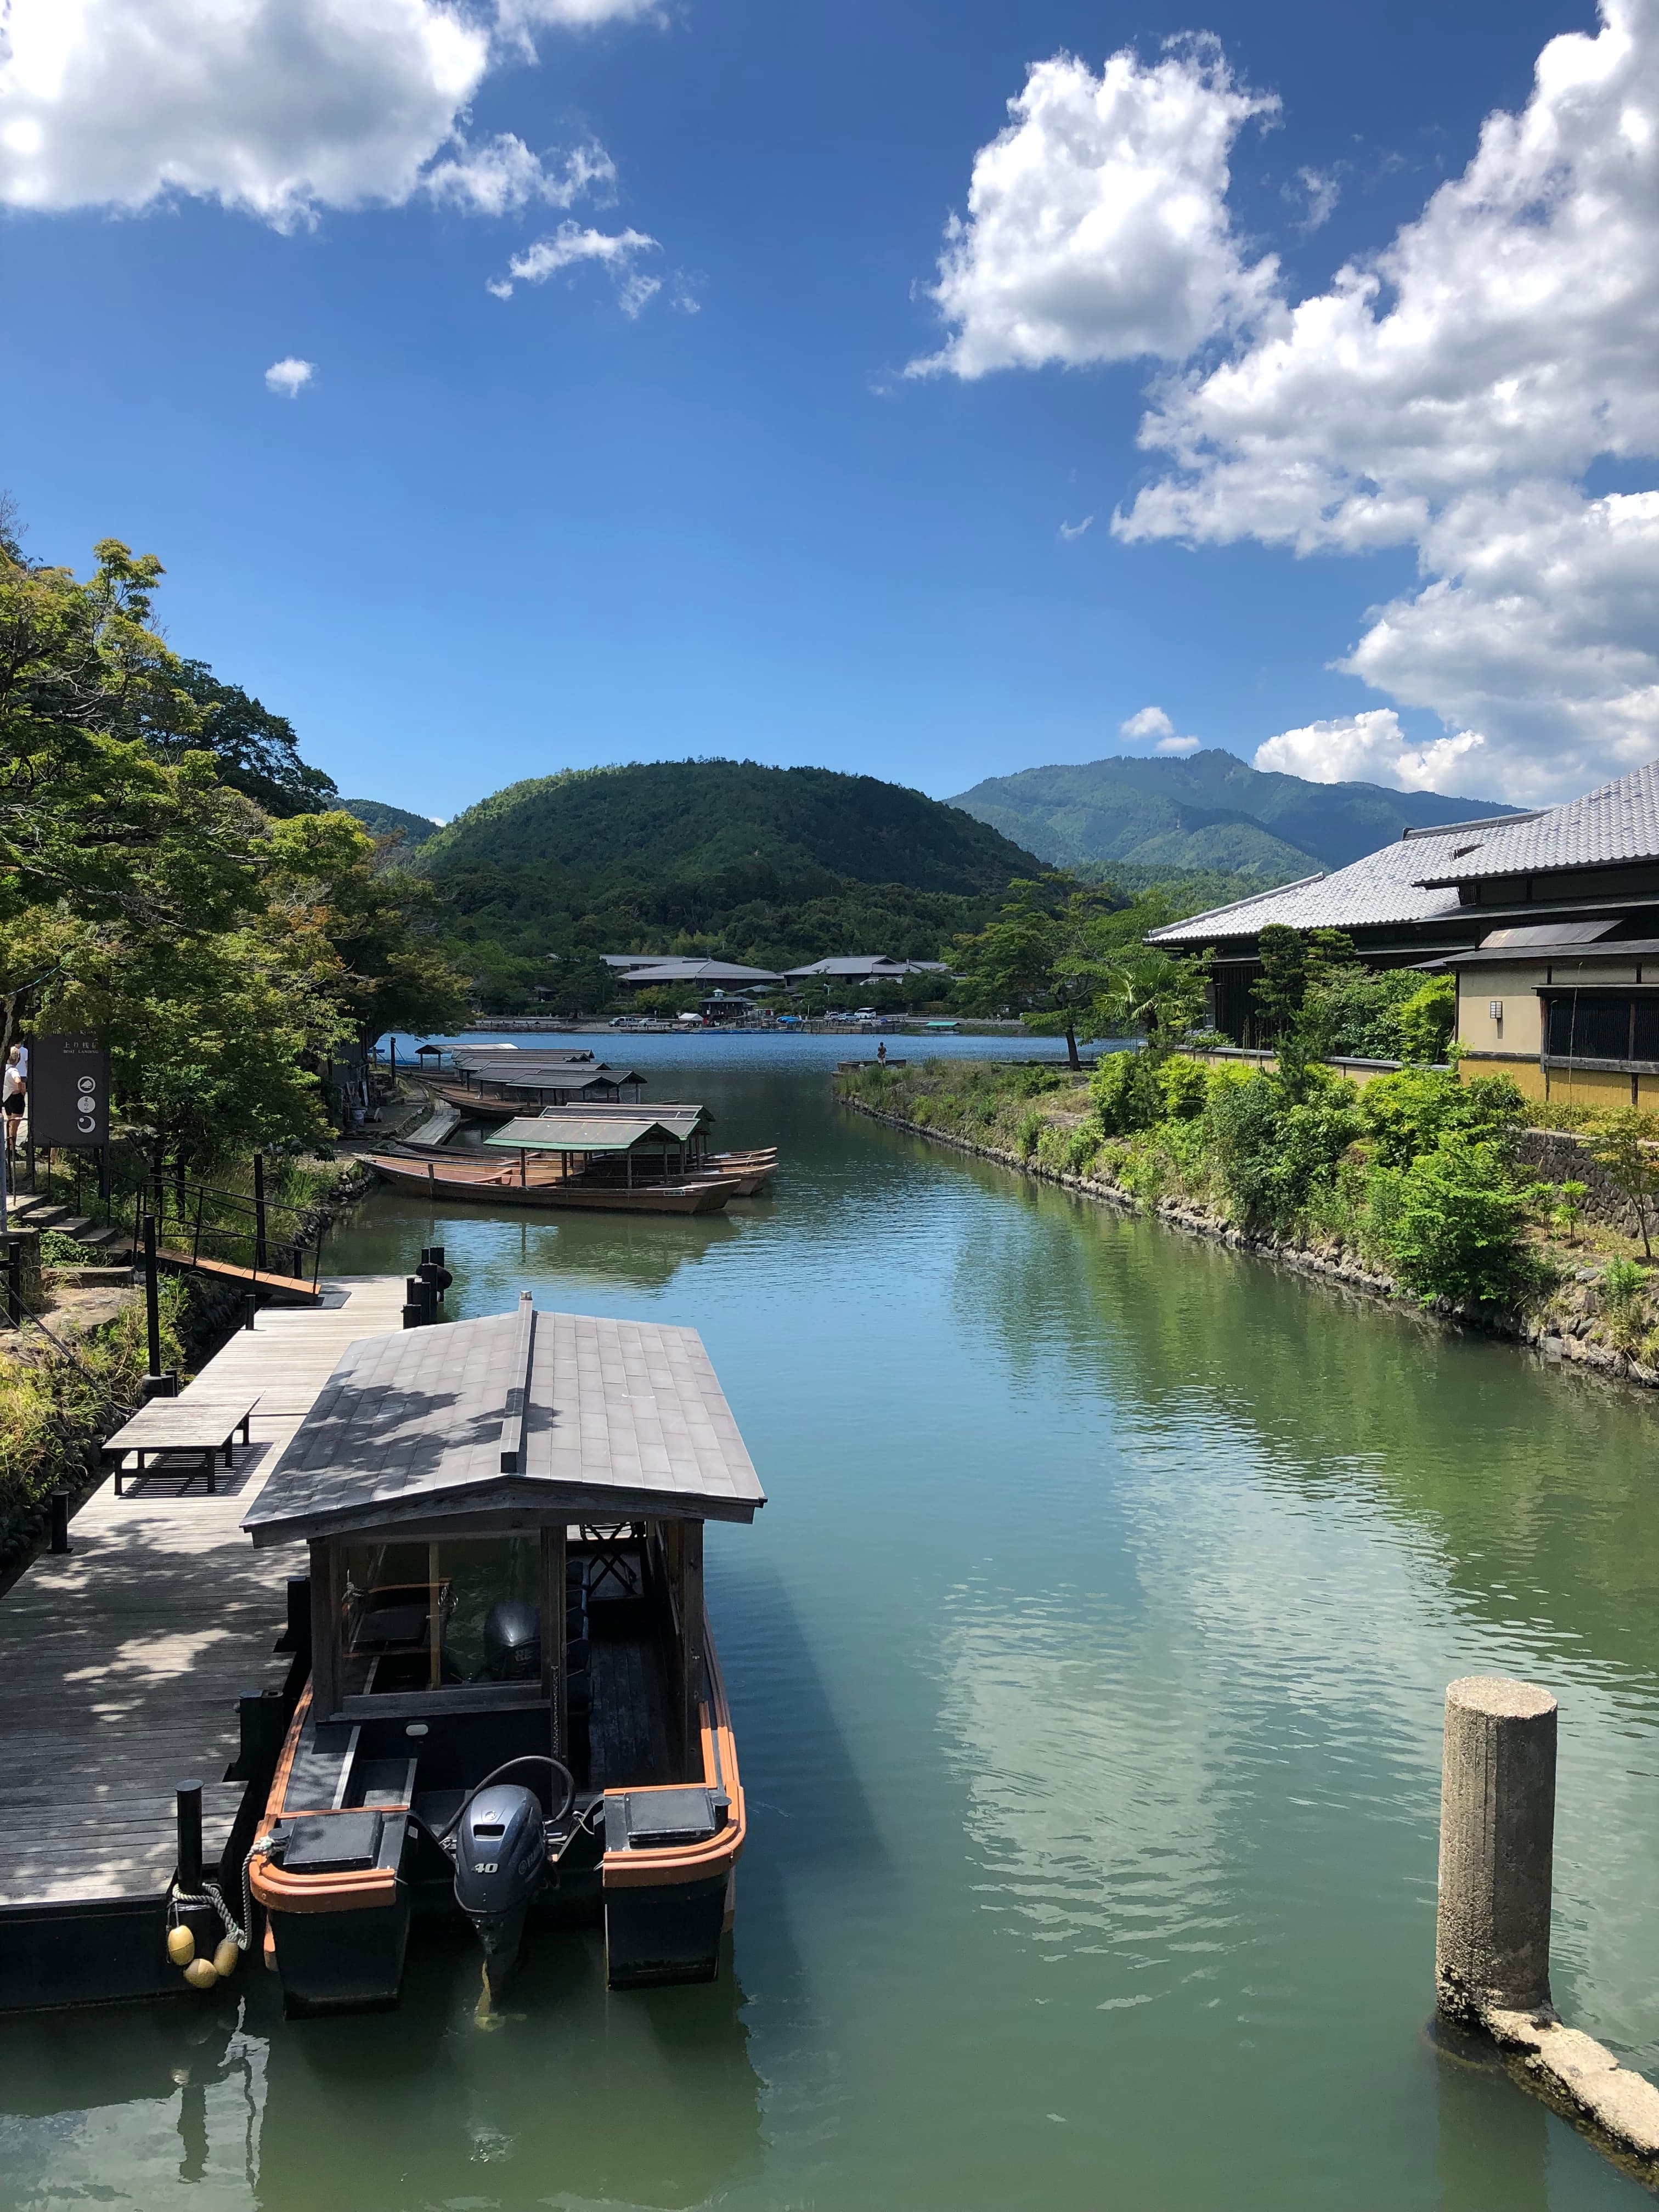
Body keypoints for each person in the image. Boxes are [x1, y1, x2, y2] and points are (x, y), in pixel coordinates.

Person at [3, 1046, 25, 1161]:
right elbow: (18, 1080)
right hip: (16, 1098)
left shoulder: (5, 1069)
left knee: (10, 1125)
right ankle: (12, 1151)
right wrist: (21, 1089)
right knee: (15, 1127)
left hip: (7, 1098)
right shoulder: (14, 1070)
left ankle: (9, 1149)